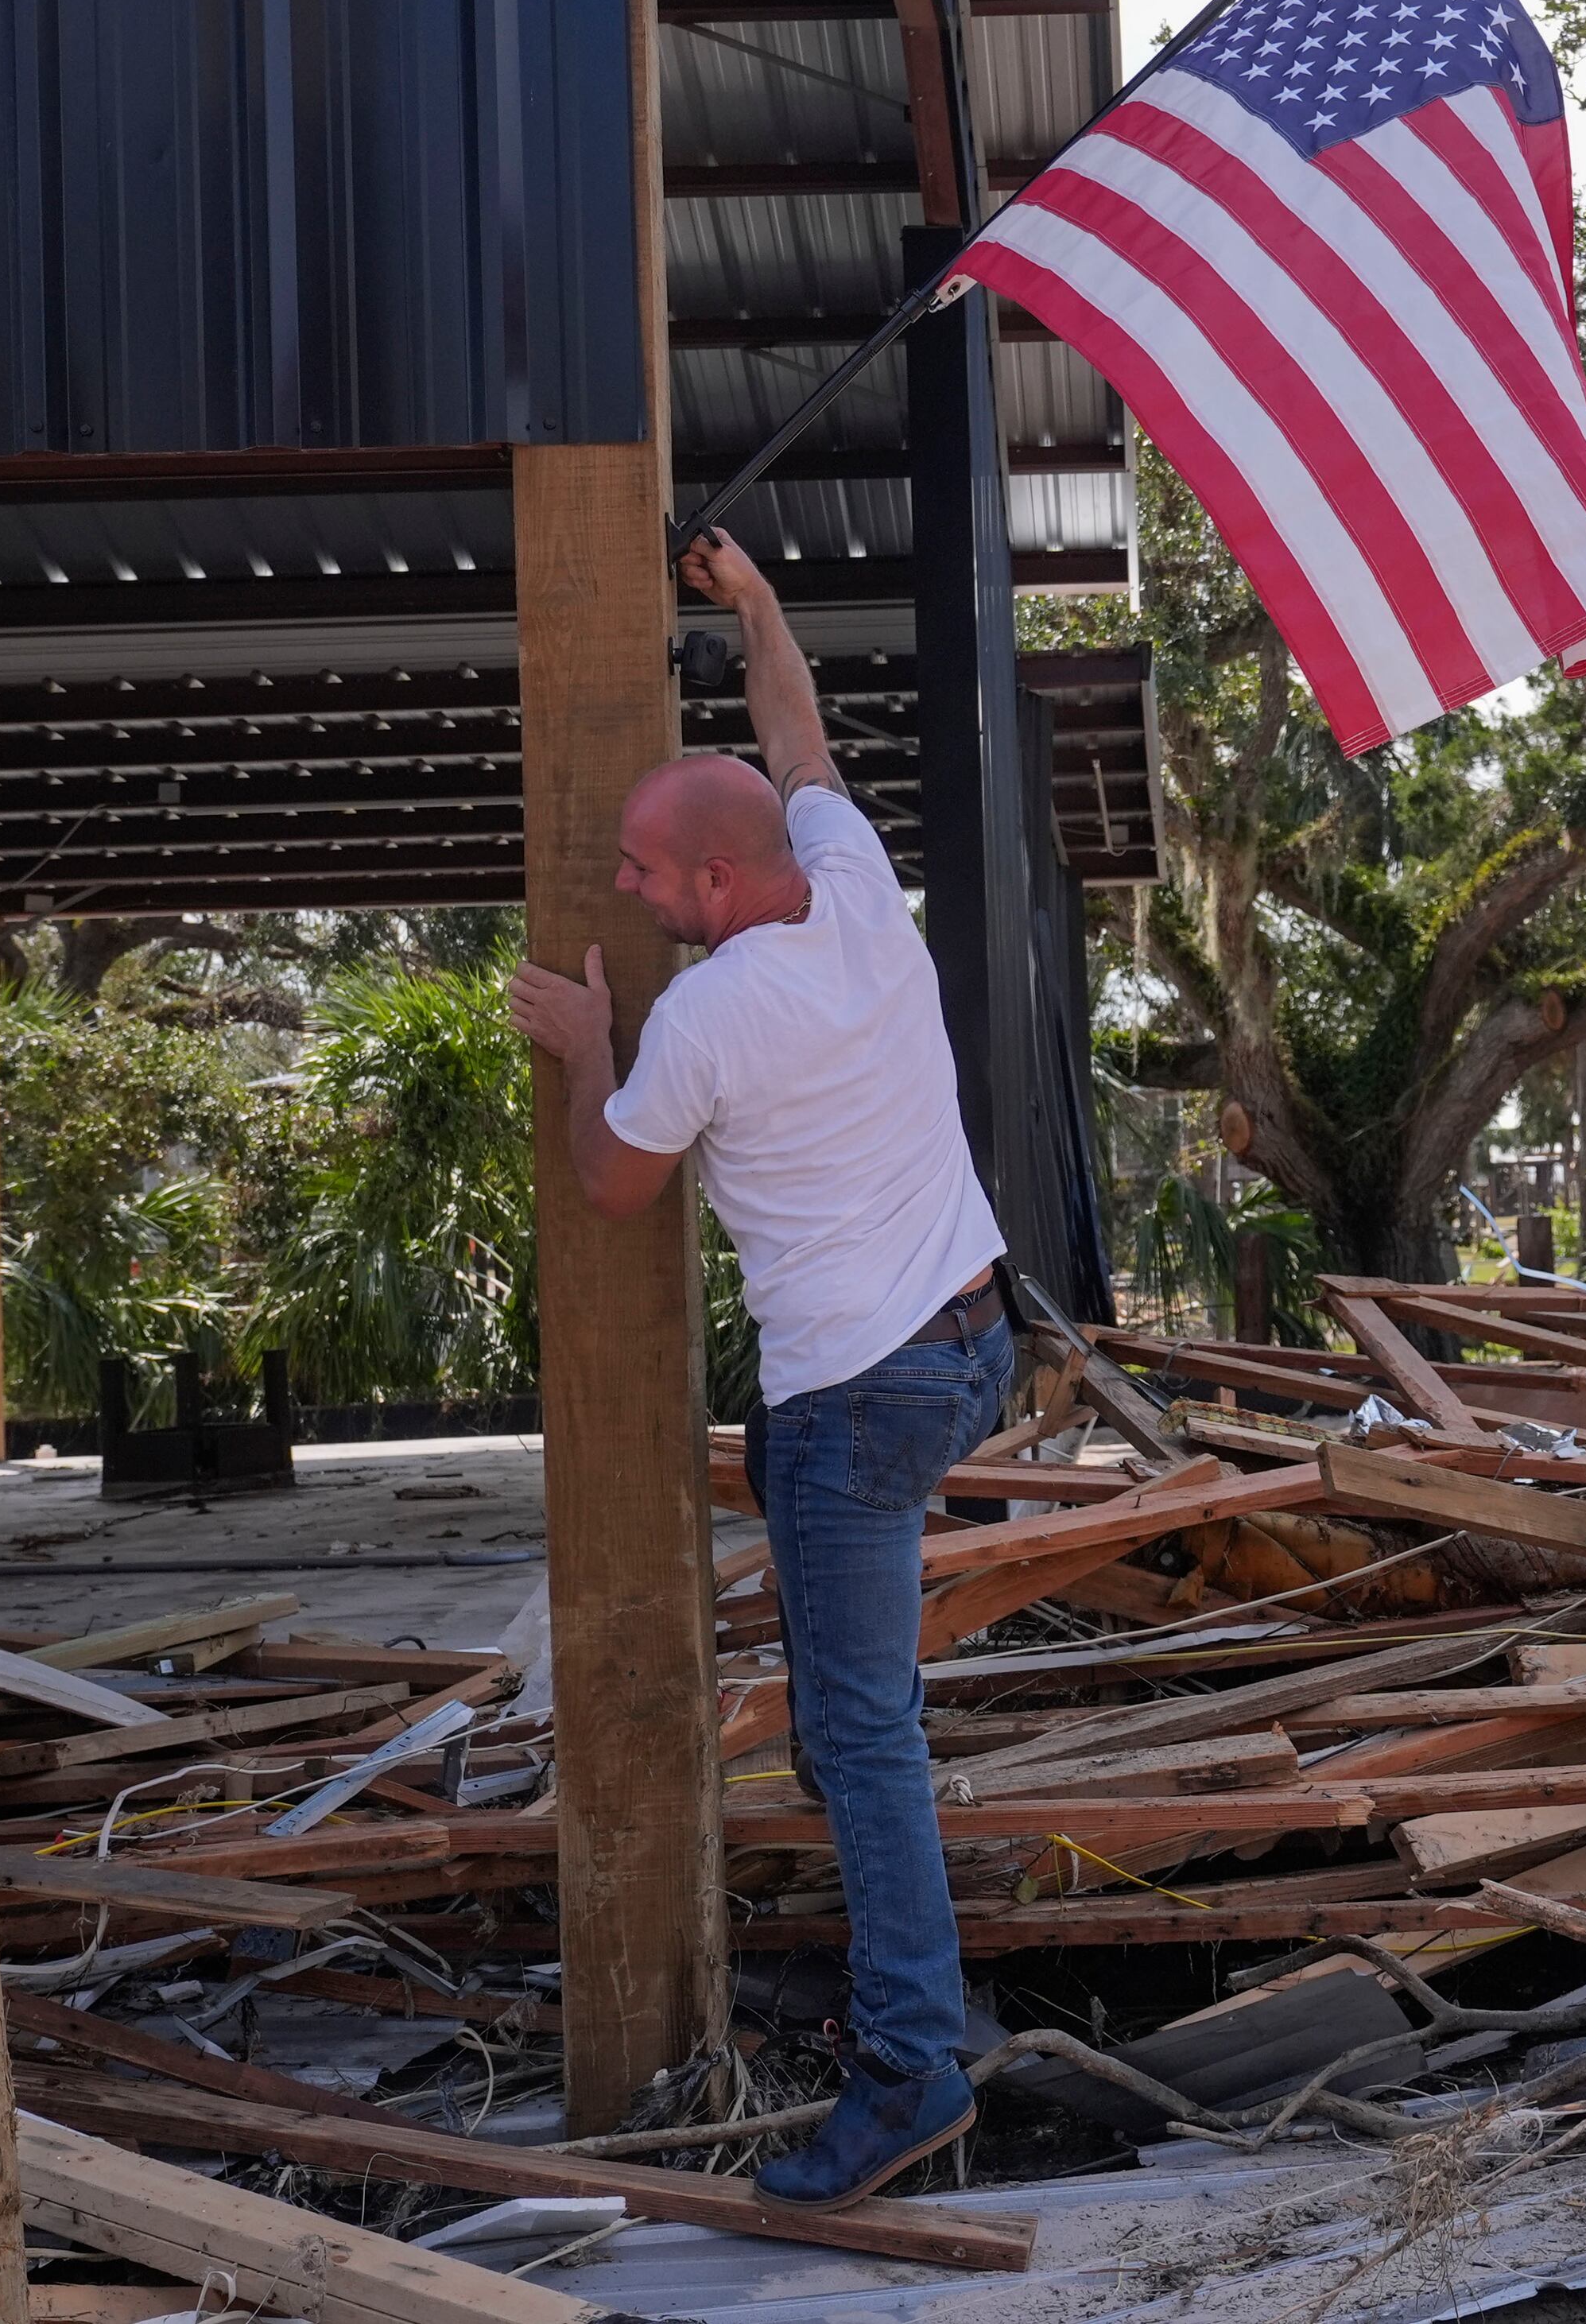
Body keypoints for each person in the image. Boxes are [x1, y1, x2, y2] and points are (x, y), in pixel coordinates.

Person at [506, 525, 1009, 2208]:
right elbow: (798, 745)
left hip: (854, 1401)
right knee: (854, 1728)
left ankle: (910, 2068)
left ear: (715, 889)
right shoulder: (860, 887)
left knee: (860, 1741)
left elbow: (613, 1181)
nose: (632, 894)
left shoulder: (710, 1015)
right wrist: (759, 605)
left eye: (646, 876)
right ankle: (919, 1995)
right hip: (964, 1341)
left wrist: (591, 1051)